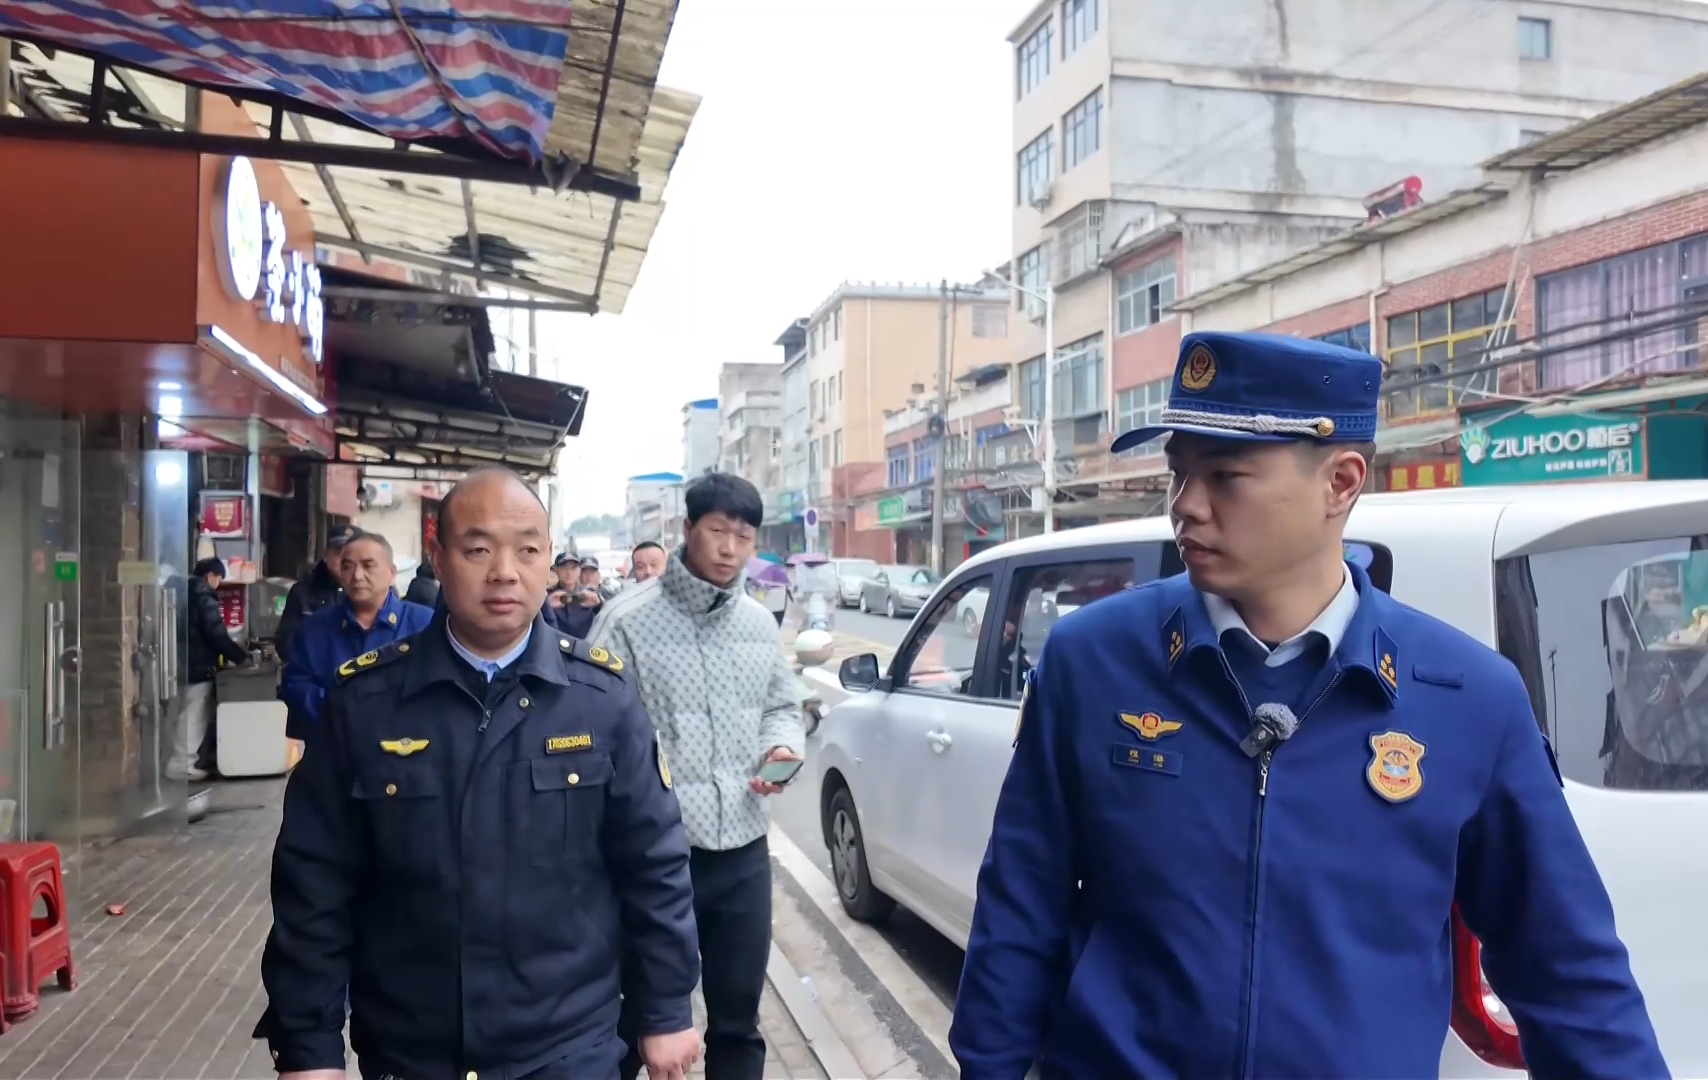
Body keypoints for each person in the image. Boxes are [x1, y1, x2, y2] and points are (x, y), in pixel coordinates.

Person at [949, 332, 1666, 1079]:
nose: (1186, 507)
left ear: (1341, 482)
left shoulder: (1468, 699)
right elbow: (1018, 914)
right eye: (1178, 473)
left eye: (1225, 476)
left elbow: (1568, 973)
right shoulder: (1093, 661)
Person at [256, 466, 702, 1080]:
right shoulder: (364, 703)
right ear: (438, 557)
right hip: (411, 1049)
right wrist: (309, 1046)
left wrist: (667, 1007)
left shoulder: (601, 699)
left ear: (549, 561)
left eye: (527, 550)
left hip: (570, 1044)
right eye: (478, 549)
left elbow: (654, 862)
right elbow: (314, 881)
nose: (504, 572)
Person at [590, 472, 806, 1080]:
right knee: (637, 1020)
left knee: (737, 1022)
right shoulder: (626, 622)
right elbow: (588, 733)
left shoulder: (760, 626)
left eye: (744, 536)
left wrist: (781, 751)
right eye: (718, 531)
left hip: (741, 851)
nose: (731, 547)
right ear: (687, 531)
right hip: (653, 858)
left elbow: (782, 707)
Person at [279, 531, 434, 742]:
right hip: (334, 751)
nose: (357, 575)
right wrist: (338, 709)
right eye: (347, 566)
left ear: (392, 572)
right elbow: (295, 686)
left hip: (406, 751)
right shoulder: (315, 628)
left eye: (368, 565)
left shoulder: (424, 623)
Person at [168, 557, 252, 781]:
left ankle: (179, 759)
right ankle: (182, 762)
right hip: (198, 663)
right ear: (210, 576)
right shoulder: (203, 595)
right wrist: (240, 656)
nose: (218, 585)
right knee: (194, 713)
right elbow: (216, 633)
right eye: (219, 579)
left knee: (182, 712)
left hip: (179, 662)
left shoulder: (180, 592)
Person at [274, 525, 358, 662]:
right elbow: (286, 642)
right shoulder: (302, 592)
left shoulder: (373, 593)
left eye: (351, 554)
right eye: (338, 553)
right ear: (326, 556)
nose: (345, 560)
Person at [545, 552, 600, 637]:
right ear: (556, 570)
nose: (569, 572)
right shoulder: (547, 595)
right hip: (556, 644)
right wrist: (546, 605)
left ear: (579, 570)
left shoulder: (589, 595)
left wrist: (598, 605)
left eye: (573, 568)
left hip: (584, 645)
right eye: (564, 567)